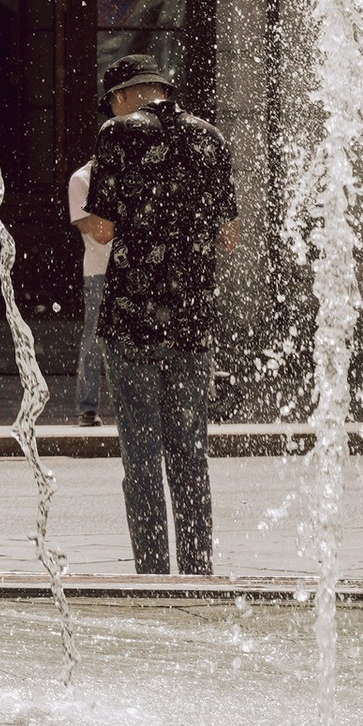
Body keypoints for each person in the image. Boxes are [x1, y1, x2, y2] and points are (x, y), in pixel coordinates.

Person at [82, 51, 239, 577]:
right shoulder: (210, 137)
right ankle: (198, 571)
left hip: (130, 316)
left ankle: (153, 571)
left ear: (123, 96)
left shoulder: (117, 134)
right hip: (193, 316)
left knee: (142, 454)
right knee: (190, 453)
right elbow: (228, 235)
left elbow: (102, 230)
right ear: (163, 88)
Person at [70, 151, 111, 425]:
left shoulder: (125, 174)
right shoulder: (81, 179)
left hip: (131, 267)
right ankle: (88, 406)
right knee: (95, 337)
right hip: (99, 268)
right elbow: (90, 227)